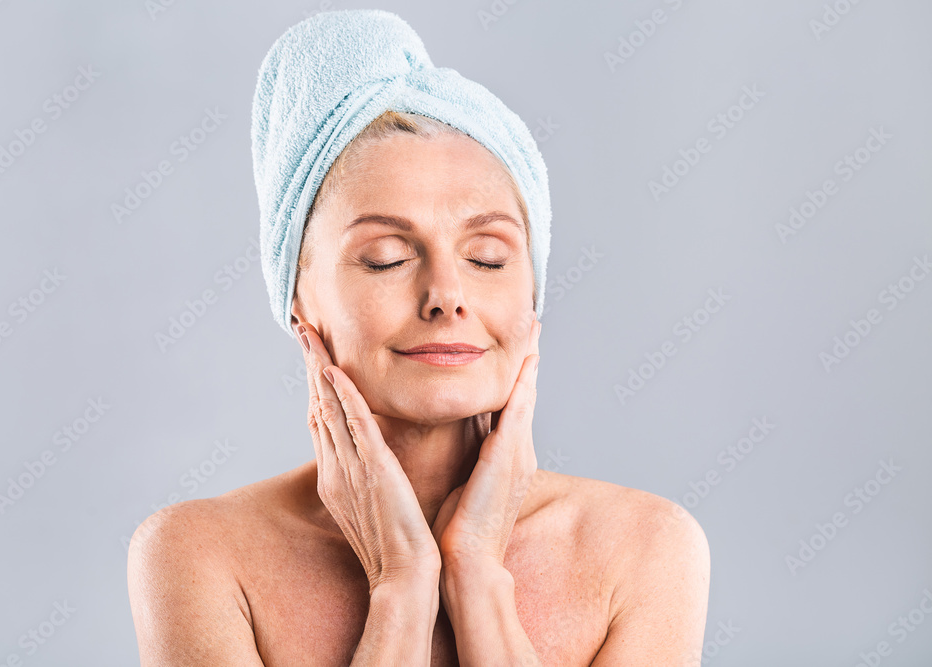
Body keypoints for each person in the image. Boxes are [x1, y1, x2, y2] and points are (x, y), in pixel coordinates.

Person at [128, 12, 709, 666]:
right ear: (298, 299)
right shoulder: (201, 554)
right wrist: (400, 585)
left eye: (488, 257)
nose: (445, 294)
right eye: (384, 257)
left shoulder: (647, 549)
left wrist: (478, 576)